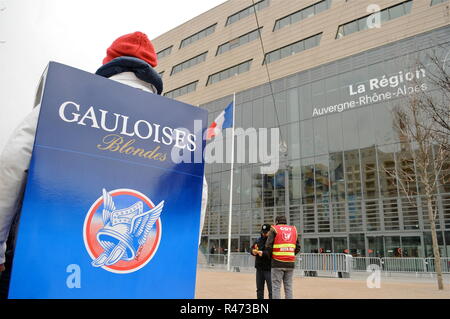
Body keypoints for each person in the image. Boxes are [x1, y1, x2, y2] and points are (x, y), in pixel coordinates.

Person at [0, 31, 208, 298]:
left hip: (44, 268)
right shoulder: (180, 130)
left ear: (110, 62)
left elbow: (11, 163)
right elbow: (197, 195)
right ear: (151, 72)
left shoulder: (63, 101)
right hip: (138, 276)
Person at [264, 215, 300, 299]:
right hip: (290, 263)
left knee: (276, 287)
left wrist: (271, 257)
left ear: (277, 222)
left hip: (277, 262)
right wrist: (289, 254)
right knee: (288, 287)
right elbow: (298, 247)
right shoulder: (293, 229)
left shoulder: (274, 229)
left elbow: (268, 245)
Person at [250, 224, 272, 299]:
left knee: (271, 291)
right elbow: (252, 248)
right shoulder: (258, 240)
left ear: (270, 231)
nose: (264, 233)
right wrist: (253, 252)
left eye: (266, 232)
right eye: (263, 232)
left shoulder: (273, 240)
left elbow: (271, 252)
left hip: (269, 269)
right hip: (259, 269)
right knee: (259, 290)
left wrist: (262, 253)